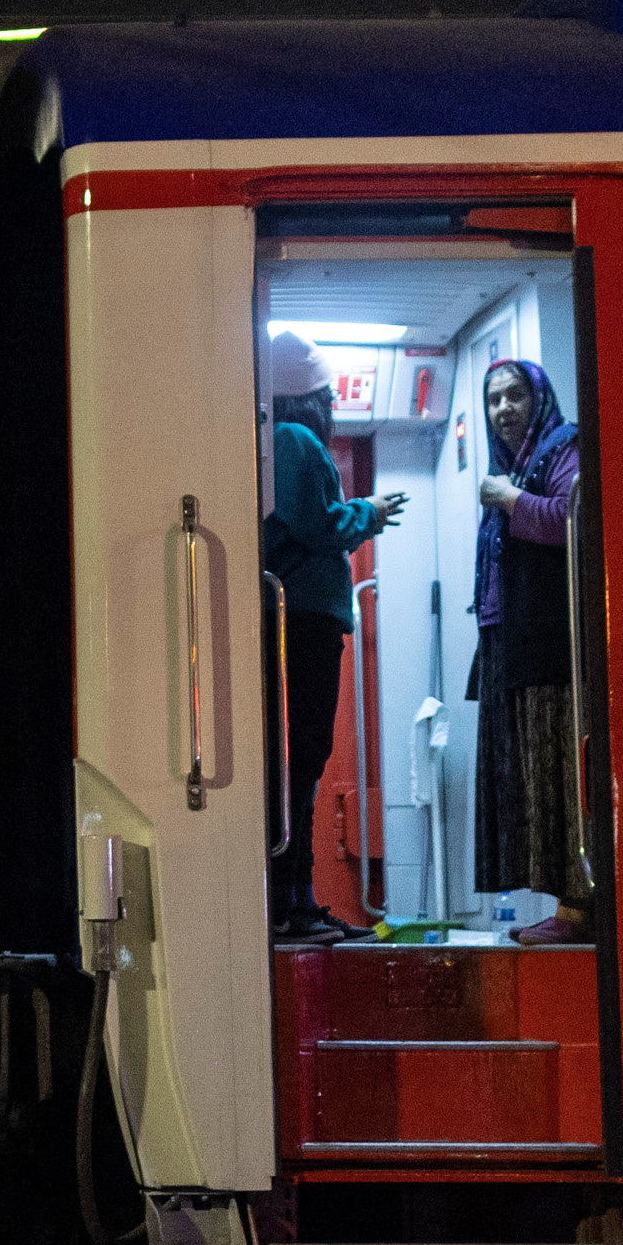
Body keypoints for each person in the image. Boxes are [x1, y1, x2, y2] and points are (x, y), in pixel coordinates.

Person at [261, 331, 405, 946]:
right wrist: (369, 512)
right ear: (310, 397)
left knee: (300, 761)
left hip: (299, 620)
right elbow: (318, 525)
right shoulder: (294, 440)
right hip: (305, 621)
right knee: (302, 759)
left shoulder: (278, 438)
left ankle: (296, 897)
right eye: (326, 395)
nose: (331, 405)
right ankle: (291, 901)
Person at [469, 357, 585, 944]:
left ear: (539, 400)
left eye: (514, 396)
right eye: (493, 400)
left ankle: (580, 908)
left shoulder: (563, 446)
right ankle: (561, 905)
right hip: (510, 641)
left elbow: (572, 519)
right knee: (528, 782)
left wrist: (511, 499)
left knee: (559, 774)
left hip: (552, 642)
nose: (503, 409)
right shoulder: (510, 467)